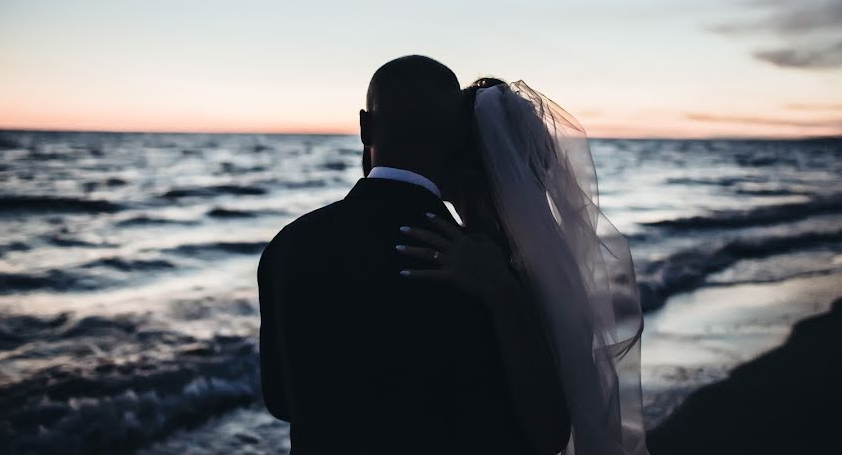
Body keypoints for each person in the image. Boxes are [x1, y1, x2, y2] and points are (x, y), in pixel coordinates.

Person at [258, 56, 647, 454]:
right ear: (454, 138)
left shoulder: (288, 245)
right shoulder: (477, 268)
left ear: (365, 127)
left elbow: (281, 400)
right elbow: (546, 435)